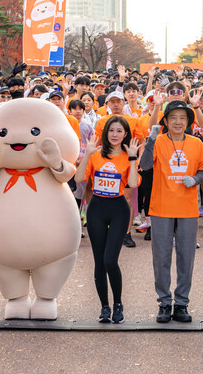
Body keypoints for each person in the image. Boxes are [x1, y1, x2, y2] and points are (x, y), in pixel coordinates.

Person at [139, 99, 203, 323]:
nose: (178, 122)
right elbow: (145, 165)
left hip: (187, 209)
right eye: (173, 118)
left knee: (186, 257)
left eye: (182, 118)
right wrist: (150, 140)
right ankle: (164, 302)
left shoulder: (196, 143)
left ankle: (181, 303)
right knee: (161, 257)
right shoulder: (158, 140)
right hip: (161, 207)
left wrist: (195, 179)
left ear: (188, 122)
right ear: (166, 121)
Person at [75, 115, 141, 324]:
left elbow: (132, 184)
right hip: (97, 210)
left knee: (110, 260)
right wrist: (87, 154)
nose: (115, 134)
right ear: (105, 133)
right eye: (111, 130)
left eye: (119, 131)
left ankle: (118, 304)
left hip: (118, 210)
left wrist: (132, 158)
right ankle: (104, 306)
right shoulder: (96, 155)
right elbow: (79, 178)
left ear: (125, 134)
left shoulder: (129, 156)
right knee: (99, 262)